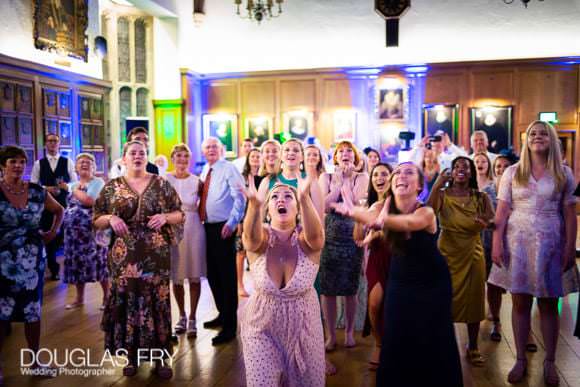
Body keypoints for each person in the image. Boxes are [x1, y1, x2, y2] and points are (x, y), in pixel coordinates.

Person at [335, 162, 463, 387]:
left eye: (409, 172)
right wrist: (358, 212)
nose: (400, 175)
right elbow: (368, 217)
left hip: (432, 283)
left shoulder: (425, 211)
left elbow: (408, 223)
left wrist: (379, 221)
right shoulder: (382, 206)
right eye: (398, 172)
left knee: (432, 339)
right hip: (400, 280)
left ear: (420, 185)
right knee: (396, 335)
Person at [488, 120, 579, 385]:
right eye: (532, 134)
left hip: (551, 242)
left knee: (550, 302)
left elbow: (570, 215)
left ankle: (550, 361)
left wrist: (570, 248)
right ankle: (520, 358)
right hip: (517, 242)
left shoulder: (564, 173)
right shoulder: (513, 172)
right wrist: (496, 242)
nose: (537, 137)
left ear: (552, 140)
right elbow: (502, 212)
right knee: (520, 302)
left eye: (543, 134)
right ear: (526, 141)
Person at [93, 140, 184, 378]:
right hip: (124, 256)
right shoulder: (112, 187)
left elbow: (179, 213)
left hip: (155, 254)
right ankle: (131, 356)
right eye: (132, 153)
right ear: (123, 158)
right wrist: (111, 219)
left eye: (141, 153)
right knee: (128, 301)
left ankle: (161, 358)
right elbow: (96, 218)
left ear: (147, 157)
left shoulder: (161, 184)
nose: (137, 156)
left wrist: (165, 217)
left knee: (157, 302)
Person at [240, 178, 325, 387]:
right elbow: (249, 239)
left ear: (297, 209)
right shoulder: (261, 240)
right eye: (275, 197)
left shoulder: (306, 241)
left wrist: (304, 197)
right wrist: (254, 205)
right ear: (268, 210)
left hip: (304, 327)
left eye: (289, 197)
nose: (282, 200)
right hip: (261, 327)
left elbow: (317, 236)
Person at [0, 146, 64, 383]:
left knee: (32, 311)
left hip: (31, 260)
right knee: (2, 312)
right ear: (2, 165)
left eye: (21, 161)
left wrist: (51, 233)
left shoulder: (36, 191)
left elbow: (59, 210)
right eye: (12, 161)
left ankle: (35, 362)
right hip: (3, 260)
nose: (18, 165)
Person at [428, 156, 494, 366]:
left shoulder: (480, 196)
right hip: (447, 249)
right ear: (451, 172)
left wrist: (485, 222)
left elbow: (492, 220)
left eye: (465, 167)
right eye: (456, 167)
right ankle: (441, 344)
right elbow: (428, 212)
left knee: (474, 297)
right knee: (443, 297)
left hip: (473, 251)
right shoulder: (442, 194)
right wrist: (437, 183)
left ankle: (473, 345)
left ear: (472, 172)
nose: (461, 170)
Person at [319, 141, 369, 350]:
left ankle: (349, 332)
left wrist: (348, 181)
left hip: (352, 235)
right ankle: (331, 335)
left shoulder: (363, 177)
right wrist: (340, 184)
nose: (345, 154)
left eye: (350, 151)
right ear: (335, 157)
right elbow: (324, 205)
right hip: (330, 237)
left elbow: (354, 205)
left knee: (350, 288)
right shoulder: (326, 177)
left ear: (356, 157)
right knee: (328, 289)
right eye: (341, 151)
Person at [199, 137, 246, 345]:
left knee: (226, 278)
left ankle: (230, 327)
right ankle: (222, 314)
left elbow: (240, 197)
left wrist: (232, 222)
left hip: (223, 228)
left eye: (215, 147)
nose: (211, 150)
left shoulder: (228, 168)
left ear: (223, 150)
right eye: (207, 147)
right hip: (207, 228)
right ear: (203, 152)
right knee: (212, 275)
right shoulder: (206, 171)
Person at [350, 162, 392, 369]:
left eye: (384, 174)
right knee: (374, 304)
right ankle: (379, 343)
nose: (379, 178)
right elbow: (358, 239)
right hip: (377, 258)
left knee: (394, 304)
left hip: (399, 259)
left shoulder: (400, 203)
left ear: (392, 178)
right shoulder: (370, 206)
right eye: (375, 174)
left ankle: (396, 345)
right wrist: (359, 215)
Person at [166, 144, 206, 338]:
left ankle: (192, 317)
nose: (182, 160)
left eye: (185, 157)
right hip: (173, 229)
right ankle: (180, 315)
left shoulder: (197, 181)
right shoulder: (165, 179)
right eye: (178, 156)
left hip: (194, 227)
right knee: (177, 274)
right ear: (172, 158)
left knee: (194, 273)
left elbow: (204, 205)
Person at [62, 153, 108, 310]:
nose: (84, 164)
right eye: (81, 162)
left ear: (94, 167)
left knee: (99, 263)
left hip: (91, 231)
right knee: (76, 264)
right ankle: (79, 298)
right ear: (75, 167)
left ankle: (106, 298)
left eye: (88, 162)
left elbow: (90, 201)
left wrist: (74, 189)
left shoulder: (98, 182)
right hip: (72, 233)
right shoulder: (73, 183)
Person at [30, 133, 76, 280]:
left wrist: (66, 186)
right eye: (49, 141)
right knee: (49, 235)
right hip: (46, 207)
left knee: (62, 235)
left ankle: (70, 268)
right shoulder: (39, 163)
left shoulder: (67, 161)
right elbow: (33, 184)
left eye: (55, 141)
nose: (52, 144)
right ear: (45, 144)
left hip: (64, 204)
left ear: (59, 144)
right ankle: (53, 268)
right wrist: (45, 189)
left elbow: (75, 183)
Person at [258, 139, 323, 217]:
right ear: (281, 156)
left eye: (296, 150)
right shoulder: (267, 181)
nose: (291, 153)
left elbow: (319, 217)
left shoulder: (311, 180)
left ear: (302, 157)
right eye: (287, 150)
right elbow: (258, 215)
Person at [237, 148, 263, 297]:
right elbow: (239, 200)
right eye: (252, 156)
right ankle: (240, 285)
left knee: (258, 253)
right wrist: (239, 221)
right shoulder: (242, 177)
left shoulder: (264, 177)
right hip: (244, 216)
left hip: (260, 218)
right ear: (248, 159)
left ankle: (258, 284)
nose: (255, 158)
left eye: (258, 156)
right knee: (241, 252)